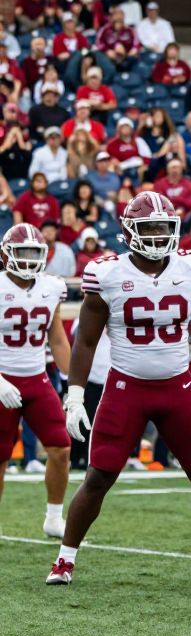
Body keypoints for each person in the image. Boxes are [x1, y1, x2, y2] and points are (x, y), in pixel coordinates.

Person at [47, 192, 191, 586]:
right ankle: (64, 559)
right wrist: (76, 394)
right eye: (148, 227)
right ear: (128, 230)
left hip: (179, 387)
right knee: (98, 476)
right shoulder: (107, 273)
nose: (156, 235)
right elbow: (85, 340)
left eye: (163, 227)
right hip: (125, 388)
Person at [0, 224, 71, 539]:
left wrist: (73, 383)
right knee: (0, 456)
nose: (29, 260)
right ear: (6, 254)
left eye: (34, 253)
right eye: (22, 253)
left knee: (61, 447)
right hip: (3, 380)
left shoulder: (51, 286)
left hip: (37, 377)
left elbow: (56, 336)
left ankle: (54, 517)